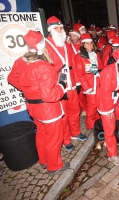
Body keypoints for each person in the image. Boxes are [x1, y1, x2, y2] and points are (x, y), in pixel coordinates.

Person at [8, 30, 70, 176]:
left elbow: (11, 78)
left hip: (33, 107)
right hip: (48, 110)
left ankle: (43, 160)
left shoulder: (20, 61)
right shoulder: (44, 66)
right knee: (54, 138)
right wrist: (62, 83)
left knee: (41, 134)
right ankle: (54, 166)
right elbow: (51, 95)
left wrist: (28, 90)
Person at [45, 16, 87, 152]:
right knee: (63, 115)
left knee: (75, 111)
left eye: (61, 27)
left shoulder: (66, 44)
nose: (59, 30)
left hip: (71, 83)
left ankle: (76, 132)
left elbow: (74, 63)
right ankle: (66, 139)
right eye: (56, 28)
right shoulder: (46, 45)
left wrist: (78, 81)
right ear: (50, 30)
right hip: (59, 86)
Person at [74, 33, 102, 130]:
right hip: (90, 85)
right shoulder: (79, 57)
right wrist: (87, 87)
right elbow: (79, 73)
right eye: (87, 43)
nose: (89, 45)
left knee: (99, 103)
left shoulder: (95, 54)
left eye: (91, 43)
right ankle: (89, 123)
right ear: (83, 44)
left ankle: (98, 120)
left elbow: (100, 68)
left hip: (98, 83)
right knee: (92, 105)